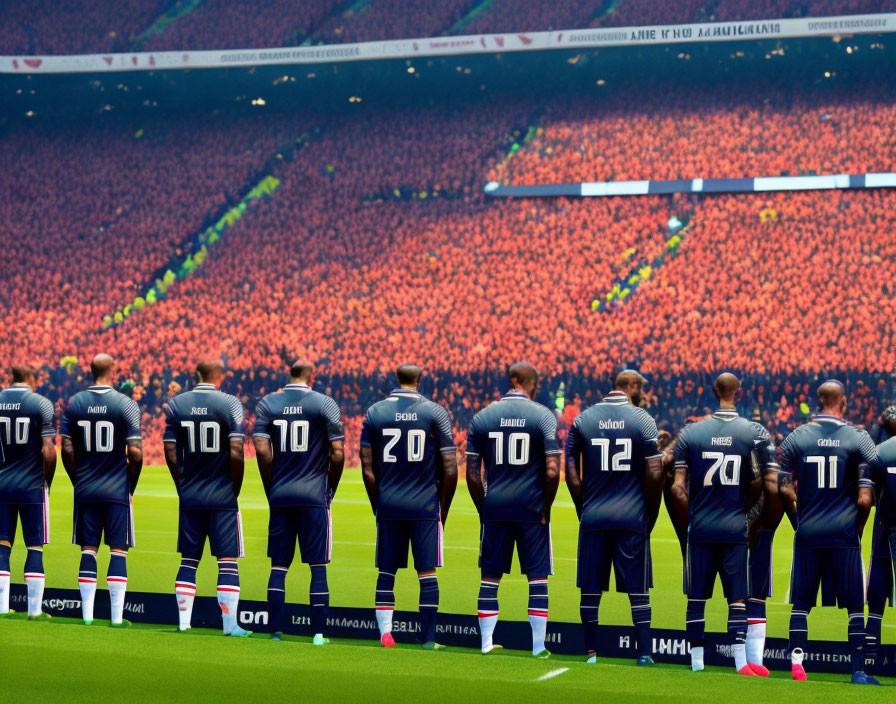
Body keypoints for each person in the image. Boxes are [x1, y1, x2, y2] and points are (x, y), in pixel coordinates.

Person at [671, 373, 772, 676]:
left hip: (701, 528)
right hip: (733, 528)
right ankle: (741, 664)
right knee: (737, 599)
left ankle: (697, 664)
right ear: (738, 392)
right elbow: (758, 483)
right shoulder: (751, 432)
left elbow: (677, 487)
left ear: (713, 391)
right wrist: (741, 510)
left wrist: (693, 516)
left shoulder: (690, 433)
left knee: (697, 599)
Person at [778, 380, 877, 684]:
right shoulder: (859, 438)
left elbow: (782, 487)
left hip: (809, 532)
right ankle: (858, 670)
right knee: (854, 606)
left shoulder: (796, 437)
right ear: (842, 401)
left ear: (817, 400)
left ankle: (797, 664)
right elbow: (865, 498)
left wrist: (799, 521)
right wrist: (857, 526)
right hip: (844, 533)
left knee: (801, 603)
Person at [565, 370, 664, 664]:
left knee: (591, 588)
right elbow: (655, 472)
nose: (642, 392)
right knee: (638, 590)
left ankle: (591, 652)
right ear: (630, 387)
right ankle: (644, 653)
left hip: (594, 515)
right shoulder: (643, 419)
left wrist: (583, 507)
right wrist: (650, 514)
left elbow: (570, 470)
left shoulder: (583, 419)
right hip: (631, 516)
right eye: (640, 387)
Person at [466, 362, 561, 658]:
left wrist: (484, 509)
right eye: (535, 382)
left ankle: (485, 642)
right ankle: (537, 647)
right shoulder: (542, 415)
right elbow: (553, 471)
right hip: (531, 509)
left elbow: (471, 474)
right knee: (537, 578)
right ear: (525, 382)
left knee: (490, 577)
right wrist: (545, 506)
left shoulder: (482, 417)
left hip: (495, 506)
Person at [360, 364, 458, 649]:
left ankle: (385, 634)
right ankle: (428, 639)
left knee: (386, 572)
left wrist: (378, 505)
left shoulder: (375, 412)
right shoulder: (435, 412)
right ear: (420, 380)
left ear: (396, 379)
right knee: (427, 572)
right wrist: (442, 509)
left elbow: (367, 470)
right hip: (424, 506)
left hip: (390, 504)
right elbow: (451, 469)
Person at [253, 359, 345, 644]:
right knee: (317, 566)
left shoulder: (268, 404)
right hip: (313, 495)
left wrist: (272, 488)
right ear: (311, 376)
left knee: (279, 567)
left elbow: (262, 451)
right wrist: (330, 488)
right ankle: (318, 634)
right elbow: (338, 454)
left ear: (288, 375)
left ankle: (275, 632)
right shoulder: (324, 404)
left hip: (281, 494)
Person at [164, 361, 250, 637]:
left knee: (188, 560)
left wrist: (182, 483)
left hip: (191, 493)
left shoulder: (177, 404)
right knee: (227, 561)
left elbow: (169, 450)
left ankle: (183, 623)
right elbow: (236, 452)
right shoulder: (230, 404)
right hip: (222, 494)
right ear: (219, 376)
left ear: (197, 375)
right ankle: (230, 626)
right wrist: (234, 488)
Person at [60, 354, 142, 627]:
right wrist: (130, 484)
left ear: (90, 370)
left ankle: (87, 617)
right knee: (118, 550)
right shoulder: (126, 405)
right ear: (113, 371)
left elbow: (67, 448)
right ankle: (117, 619)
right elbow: (136, 453)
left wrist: (77, 479)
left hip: (86, 487)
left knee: (88, 550)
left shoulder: (74, 403)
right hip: (116, 488)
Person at [0, 365, 57, 619]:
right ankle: (35, 611)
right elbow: (48, 450)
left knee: (2, 546)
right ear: (31, 378)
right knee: (35, 547)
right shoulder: (41, 404)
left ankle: (2, 608)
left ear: (12, 378)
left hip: (2, 484)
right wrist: (48, 482)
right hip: (32, 484)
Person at [865, 409, 896, 677]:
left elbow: (870, 495)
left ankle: (870, 660)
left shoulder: (881, 451)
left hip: (885, 529)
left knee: (877, 592)